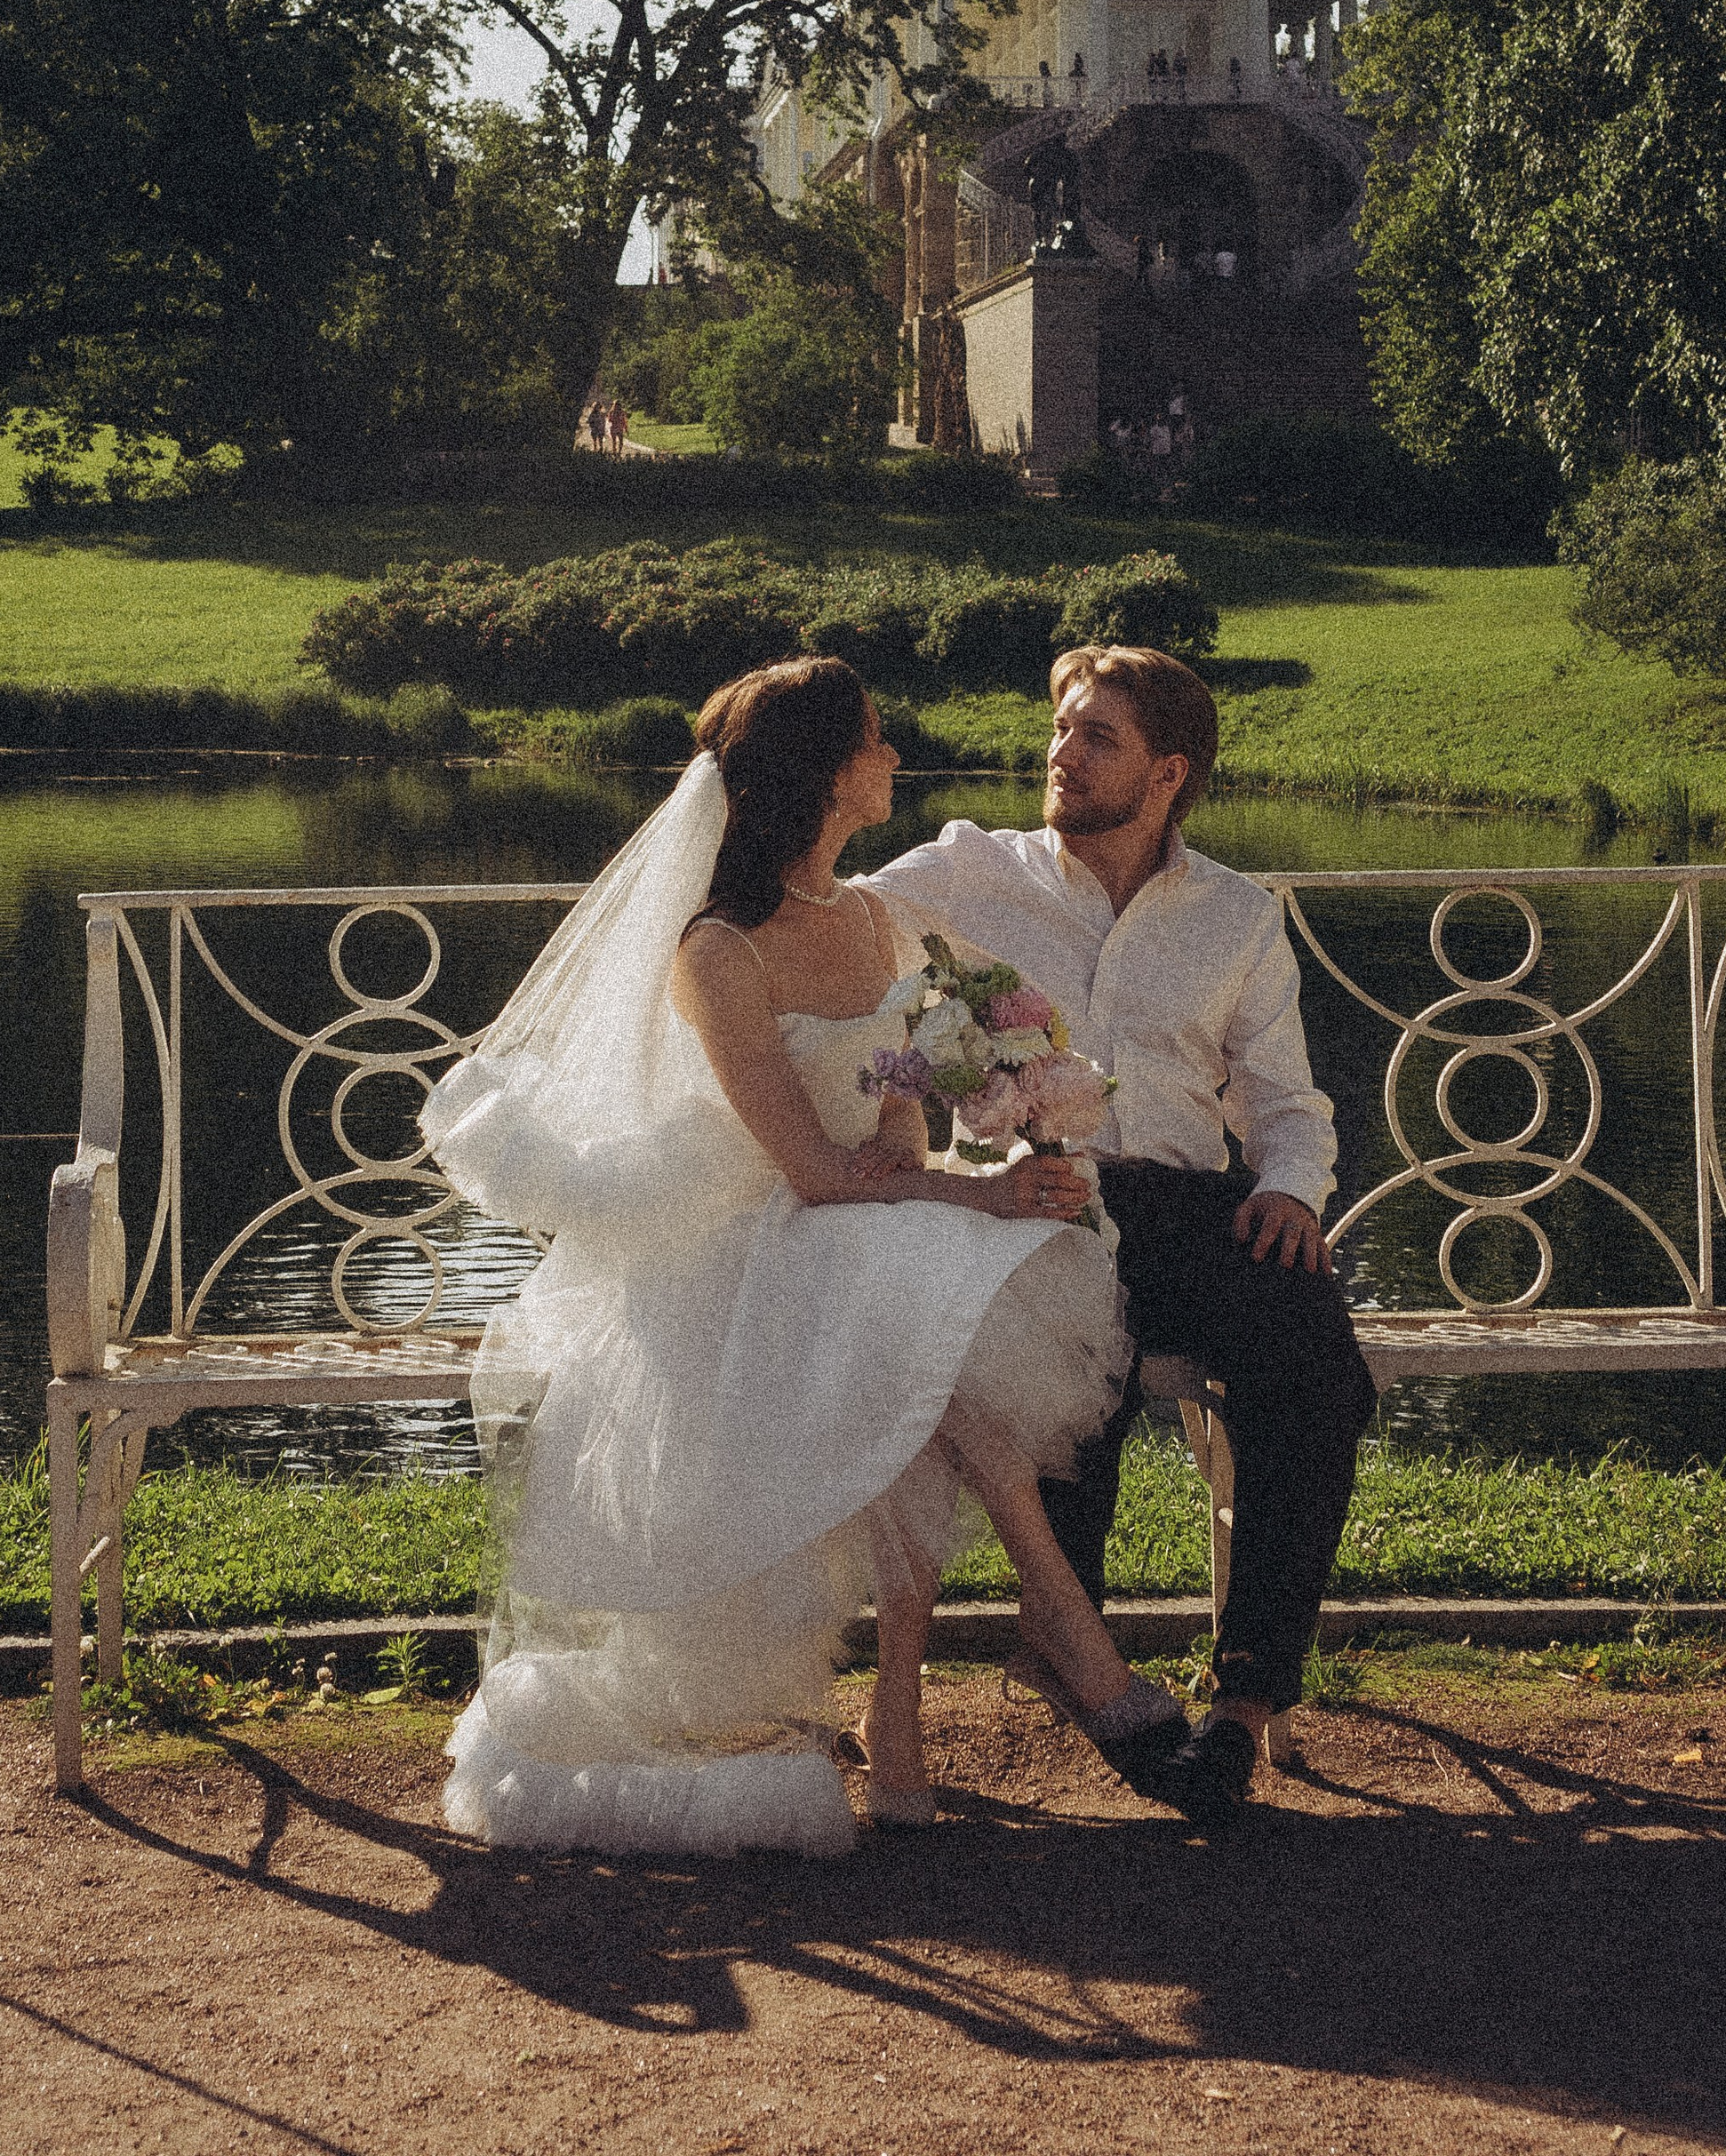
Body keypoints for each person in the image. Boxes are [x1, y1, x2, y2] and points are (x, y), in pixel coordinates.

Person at [421, 658, 1192, 1857]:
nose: (894, 756)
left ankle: (936, 1707)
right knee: (928, 1336)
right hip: (739, 1248)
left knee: (933, 1323)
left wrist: (971, 1159)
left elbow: (894, 1119)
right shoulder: (717, 949)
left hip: (854, 1225)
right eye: (875, 740)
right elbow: (807, 1169)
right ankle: (1068, 1665)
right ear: (830, 775)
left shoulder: (875, 920)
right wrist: (976, 1195)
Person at [867, 647, 1377, 1833]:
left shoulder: (1237, 916)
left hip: (1187, 1209)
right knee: (1063, 1349)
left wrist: (1291, 1193)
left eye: (1097, 737)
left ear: (1169, 772)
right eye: (1061, 727)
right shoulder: (965, 873)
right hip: (1030, 1206)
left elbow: (1287, 1103)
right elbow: (822, 922)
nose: (1063, 753)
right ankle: (1072, 1644)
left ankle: (1244, 1703)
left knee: (1314, 1361)